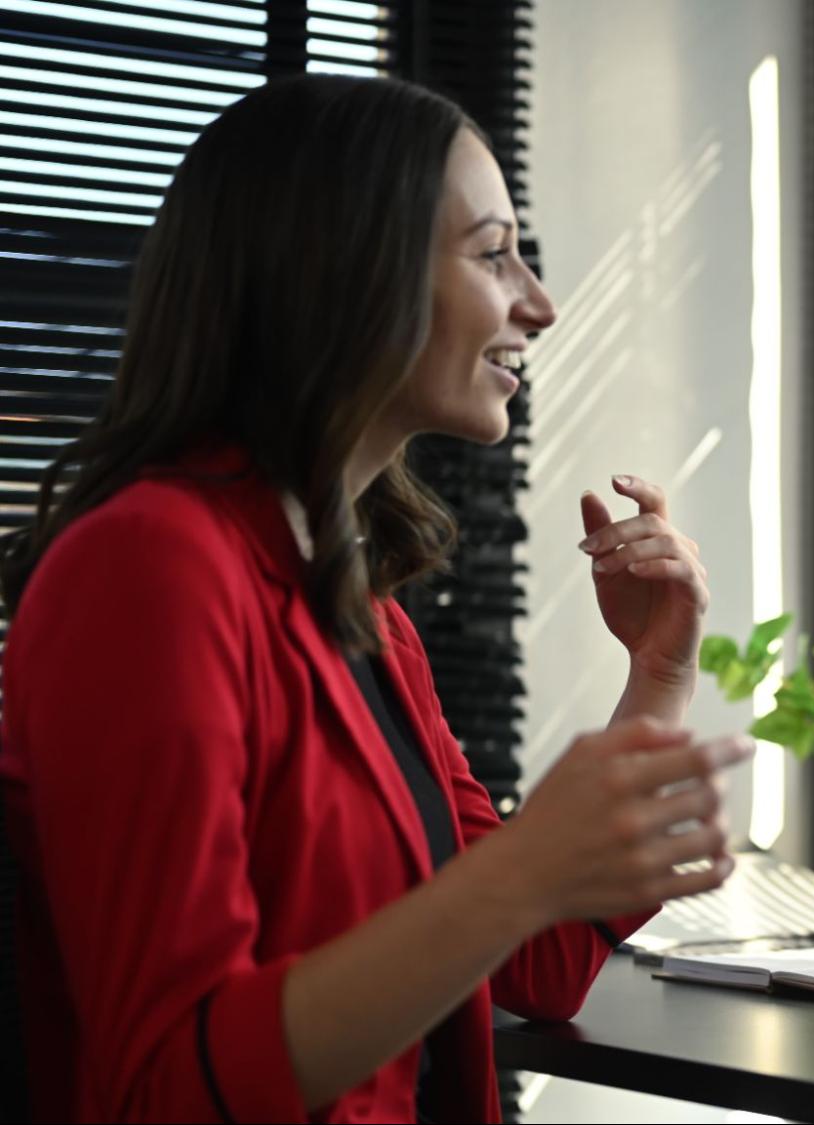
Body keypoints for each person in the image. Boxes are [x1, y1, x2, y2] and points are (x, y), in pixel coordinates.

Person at [0, 76, 745, 1123]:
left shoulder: (370, 620)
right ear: (342, 275)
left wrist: (656, 676)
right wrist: (523, 872)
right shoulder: (147, 568)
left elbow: (535, 963)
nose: (539, 302)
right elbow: (165, 1084)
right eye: (493, 255)